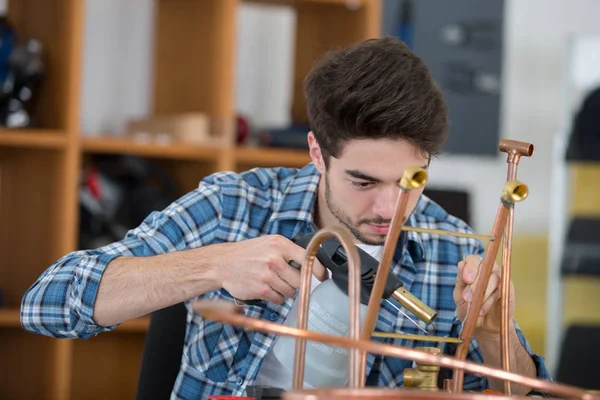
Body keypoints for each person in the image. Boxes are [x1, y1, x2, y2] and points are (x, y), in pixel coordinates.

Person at [20, 37, 549, 398]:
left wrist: (492, 335)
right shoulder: (235, 206)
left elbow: (521, 393)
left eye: (410, 182)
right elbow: (46, 303)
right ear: (318, 154)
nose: (390, 209)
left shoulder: (454, 249)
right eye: (363, 182)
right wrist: (210, 265)